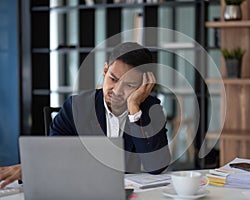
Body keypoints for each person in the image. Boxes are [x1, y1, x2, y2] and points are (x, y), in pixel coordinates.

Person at [0, 42, 170, 189]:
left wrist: (134, 109)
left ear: (143, 86)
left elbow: (156, 166)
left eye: (130, 85)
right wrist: (33, 167)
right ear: (105, 70)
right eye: (113, 79)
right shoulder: (76, 107)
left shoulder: (149, 109)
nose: (117, 91)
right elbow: (53, 156)